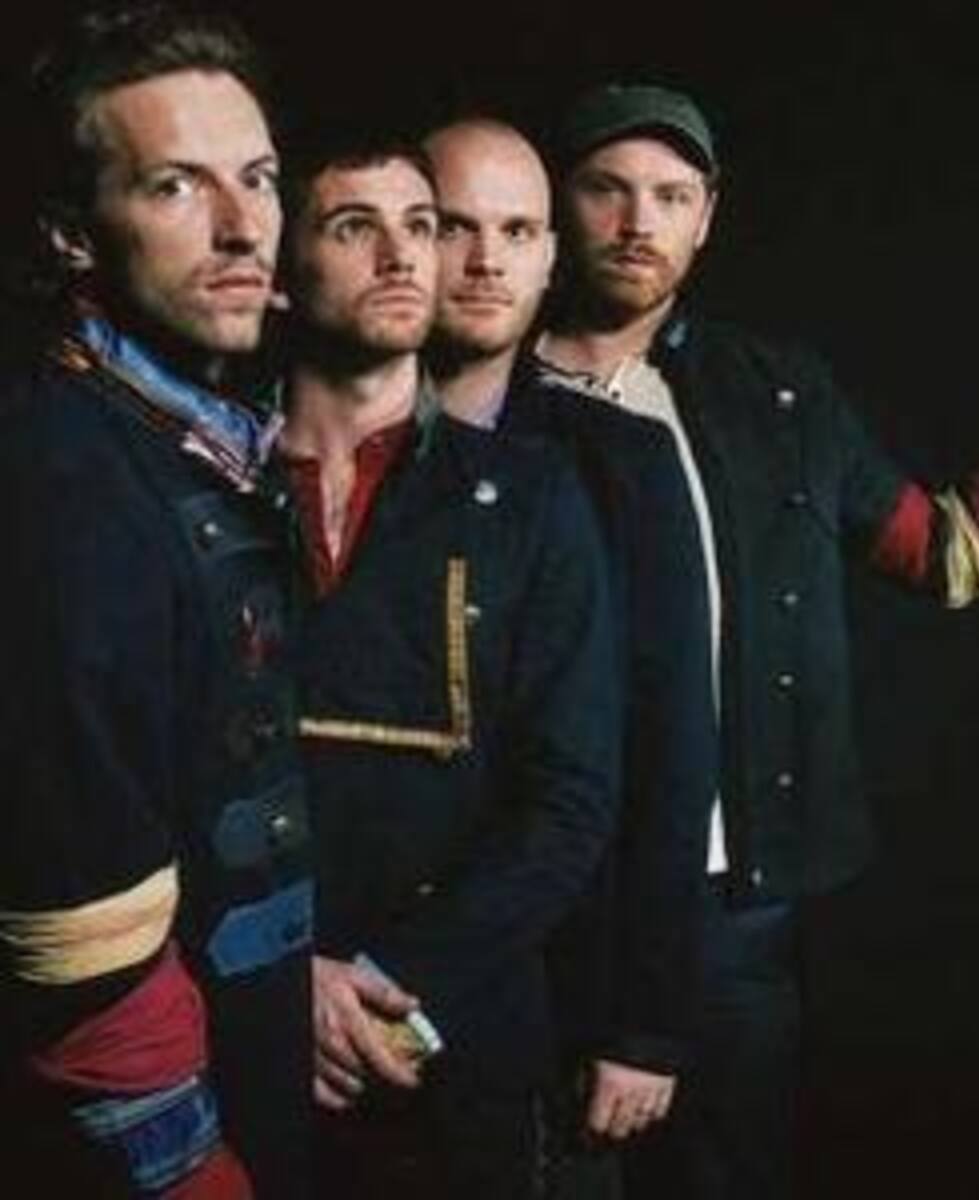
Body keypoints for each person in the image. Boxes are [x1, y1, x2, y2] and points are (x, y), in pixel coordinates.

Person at [532, 82, 979, 1200]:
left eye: (671, 196)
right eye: (608, 189)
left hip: (737, 907)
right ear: (560, 199)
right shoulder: (484, 389)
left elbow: (948, 556)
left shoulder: (778, 393)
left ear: (709, 214)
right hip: (550, 896)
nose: (639, 222)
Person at [0, 5, 314, 1197]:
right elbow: (75, 908)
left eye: (259, 178)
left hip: (263, 1042)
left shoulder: (191, 436)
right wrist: (185, 1167)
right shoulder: (62, 480)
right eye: (176, 185)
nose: (244, 228)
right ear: (71, 233)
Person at [278, 133, 620, 1199]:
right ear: (282, 266)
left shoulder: (534, 500)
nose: (401, 256)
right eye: (355, 227)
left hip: (450, 1039)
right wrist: (275, 988)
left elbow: (571, 802)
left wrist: (383, 990)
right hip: (232, 1029)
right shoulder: (203, 486)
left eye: (419, 227)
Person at [423, 116, 718, 1179]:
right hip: (338, 971)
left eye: (515, 231)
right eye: (449, 226)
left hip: (557, 974)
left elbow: (670, 746)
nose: (483, 260)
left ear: (549, 255)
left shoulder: (622, 459)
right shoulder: (289, 435)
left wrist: (644, 1022)